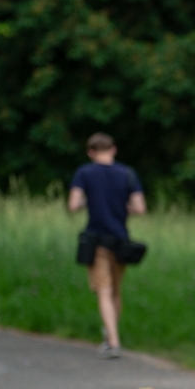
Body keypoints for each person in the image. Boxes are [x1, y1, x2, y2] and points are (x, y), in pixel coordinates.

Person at [68, 132, 147, 359]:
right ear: (113, 149)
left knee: (103, 290)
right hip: (121, 240)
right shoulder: (127, 174)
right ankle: (110, 335)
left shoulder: (84, 173)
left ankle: (112, 342)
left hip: (96, 240)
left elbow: (73, 204)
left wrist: (89, 200)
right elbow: (139, 208)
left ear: (91, 152)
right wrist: (123, 206)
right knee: (115, 291)